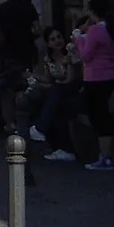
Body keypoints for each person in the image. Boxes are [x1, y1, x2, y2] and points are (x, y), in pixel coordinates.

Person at [74, 0, 114, 172]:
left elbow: (85, 55)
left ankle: (105, 157)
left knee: (98, 116)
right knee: (100, 113)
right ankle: (104, 155)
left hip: (96, 77)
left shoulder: (95, 31)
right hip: (109, 76)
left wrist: (78, 38)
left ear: (92, 11)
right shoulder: (110, 29)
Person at [0, 0, 40, 135]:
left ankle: (5, 121)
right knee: (25, 84)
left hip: (8, 54)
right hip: (27, 52)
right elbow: (38, 29)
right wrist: (29, 37)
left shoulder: (2, 8)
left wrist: (2, 39)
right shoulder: (29, 7)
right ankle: (23, 118)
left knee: (4, 87)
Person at [31, 26, 84, 161]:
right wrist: (33, 76)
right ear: (48, 43)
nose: (57, 41)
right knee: (45, 101)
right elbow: (47, 78)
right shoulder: (48, 59)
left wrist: (68, 64)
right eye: (53, 39)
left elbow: (70, 79)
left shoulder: (71, 52)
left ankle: (41, 128)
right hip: (60, 92)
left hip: (75, 88)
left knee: (54, 94)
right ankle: (61, 148)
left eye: (59, 37)